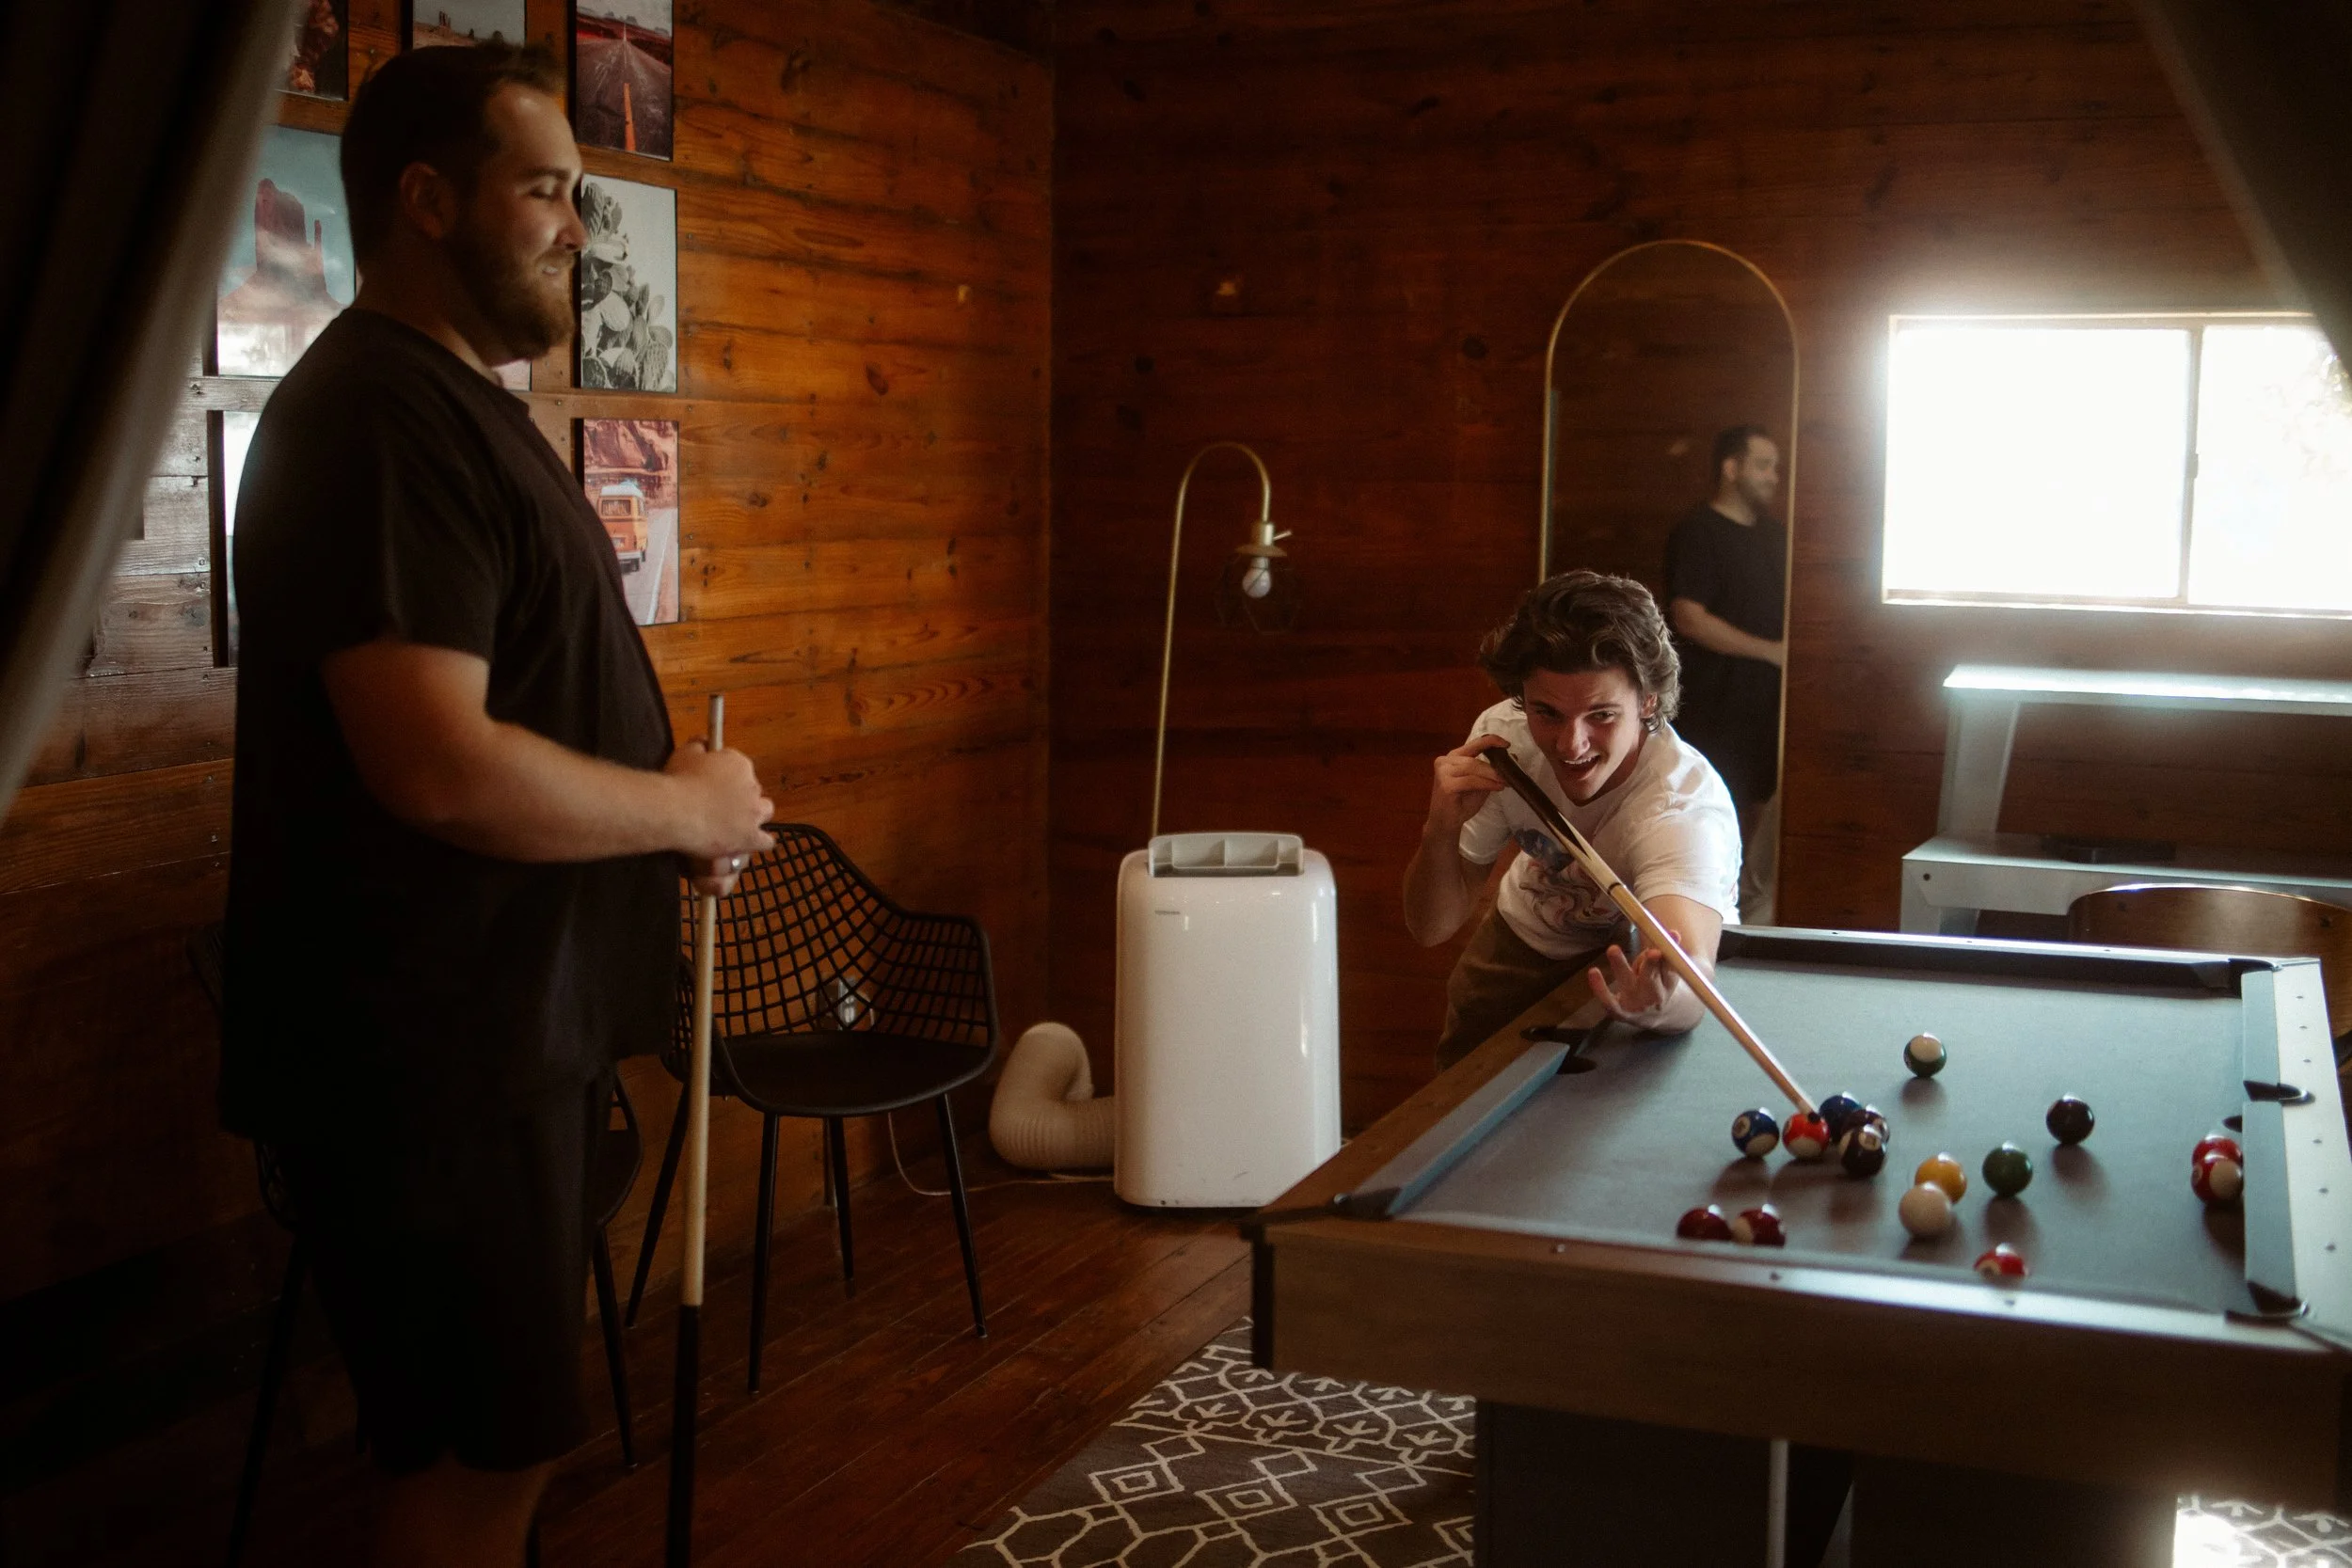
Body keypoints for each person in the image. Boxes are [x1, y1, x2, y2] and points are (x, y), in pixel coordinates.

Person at [219, 44, 773, 1568]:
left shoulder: (448, 404)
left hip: (495, 1041)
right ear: (427, 198)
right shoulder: (379, 417)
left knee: (492, 1448)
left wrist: (673, 809)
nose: (579, 230)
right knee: (480, 1456)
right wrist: (675, 809)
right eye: (545, 189)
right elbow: (440, 764)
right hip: (434, 1056)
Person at [1403, 571, 1742, 1069]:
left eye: (1601, 715)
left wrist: (1662, 1000)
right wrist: (1439, 831)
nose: (1571, 744)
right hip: (1518, 945)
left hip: (1629, 964)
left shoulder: (1680, 807)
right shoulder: (1502, 744)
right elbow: (1431, 928)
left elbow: (1691, 980)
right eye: (1548, 713)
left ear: (1647, 700)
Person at [1664, 424, 1788, 923]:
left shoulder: (1777, 538)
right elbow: (1689, 617)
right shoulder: (1698, 533)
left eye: (1776, 467)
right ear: (1731, 468)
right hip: (1714, 708)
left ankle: (1749, 926)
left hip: (1767, 708)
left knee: (1760, 820)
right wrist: (1771, 652)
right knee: (1715, 818)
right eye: (1763, 465)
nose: (1773, 477)